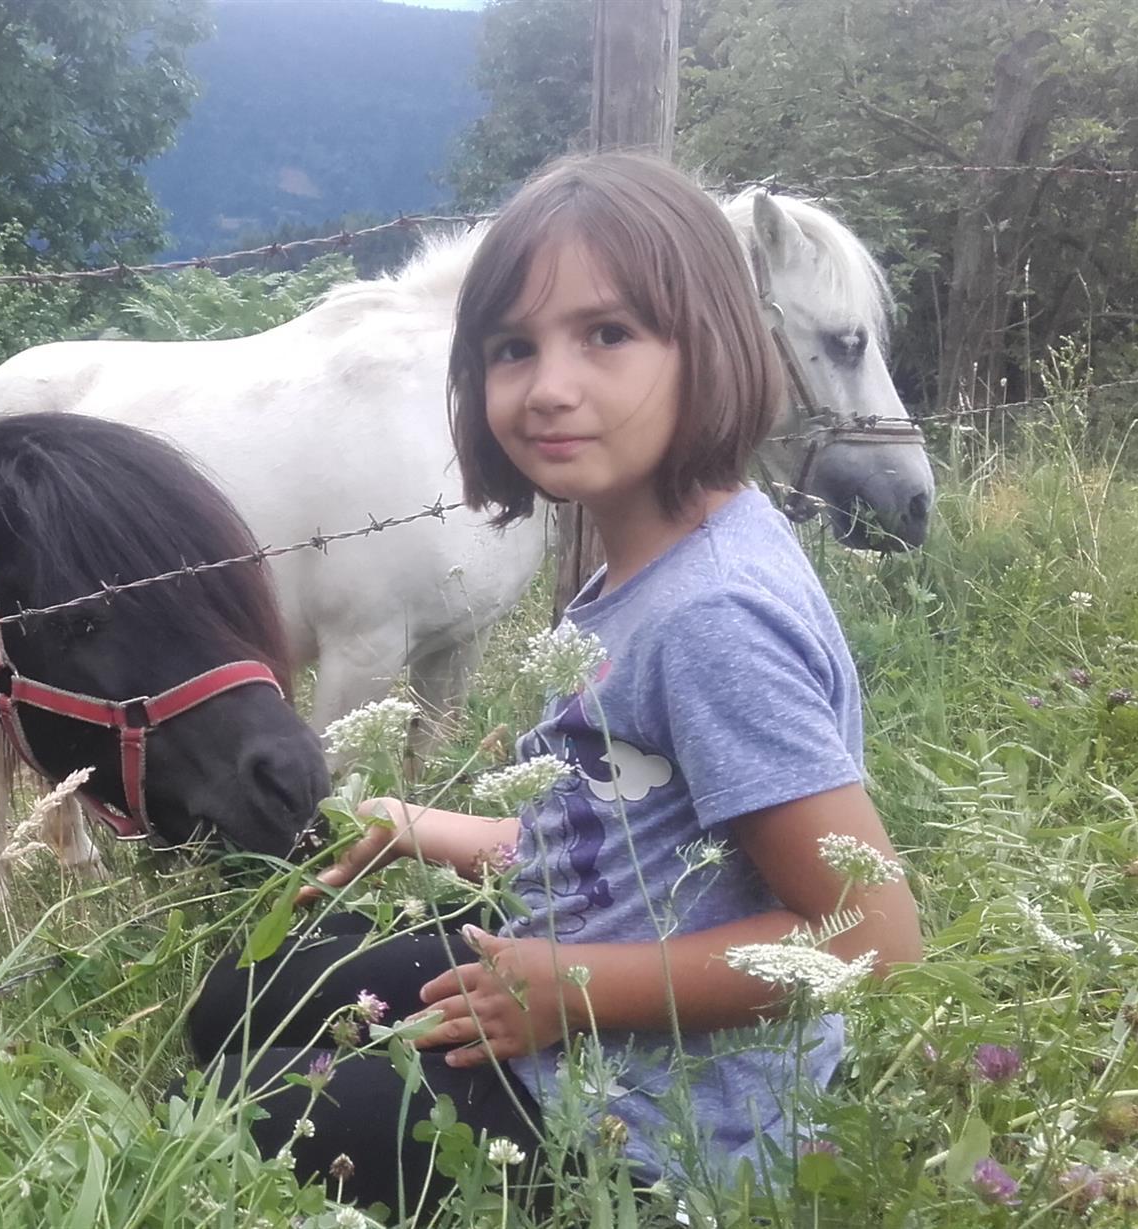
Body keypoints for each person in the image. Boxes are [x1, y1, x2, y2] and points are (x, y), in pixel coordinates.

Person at [182, 151, 923, 1216]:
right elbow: (625, 842)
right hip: (578, 987)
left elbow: (870, 935)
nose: (548, 387)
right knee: (239, 998)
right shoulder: (643, 567)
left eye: (607, 334)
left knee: (241, 1098)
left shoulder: (711, 617)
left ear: (714, 344)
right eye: (511, 347)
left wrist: (568, 991)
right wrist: (418, 824)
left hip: (649, 1122)